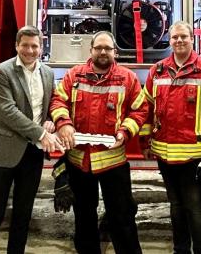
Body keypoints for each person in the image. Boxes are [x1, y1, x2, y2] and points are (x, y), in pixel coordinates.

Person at [49, 31, 149, 254]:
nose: (103, 52)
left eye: (107, 48)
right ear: (91, 50)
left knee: (122, 218)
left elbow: (140, 110)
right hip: (79, 162)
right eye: (98, 48)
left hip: (113, 163)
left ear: (115, 52)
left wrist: (125, 132)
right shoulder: (74, 75)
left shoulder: (127, 78)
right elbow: (58, 101)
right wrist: (63, 123)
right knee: (84, 219)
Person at [141, 20, 201, 254]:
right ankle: (180, 251)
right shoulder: (158, 70)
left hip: (195, 155)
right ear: (169, 41)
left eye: (184, 36)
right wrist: (145, 142)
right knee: (175, 207)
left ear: (192, 39)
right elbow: (146, 107)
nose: (179, 41)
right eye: (175, 37)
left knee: (196, 208)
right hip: (164, 154)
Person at [0, 25, 64, 254]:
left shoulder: (48, 73)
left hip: (32, 154)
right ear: (17, 46)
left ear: (41, 48)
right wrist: (42, 133)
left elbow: (51, 103)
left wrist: (51, 119)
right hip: (3, 153)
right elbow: (7, 111)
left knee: (23, 217)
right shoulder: (1, 72)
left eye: (35, 46)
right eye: (25, 45)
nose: (30, 50)